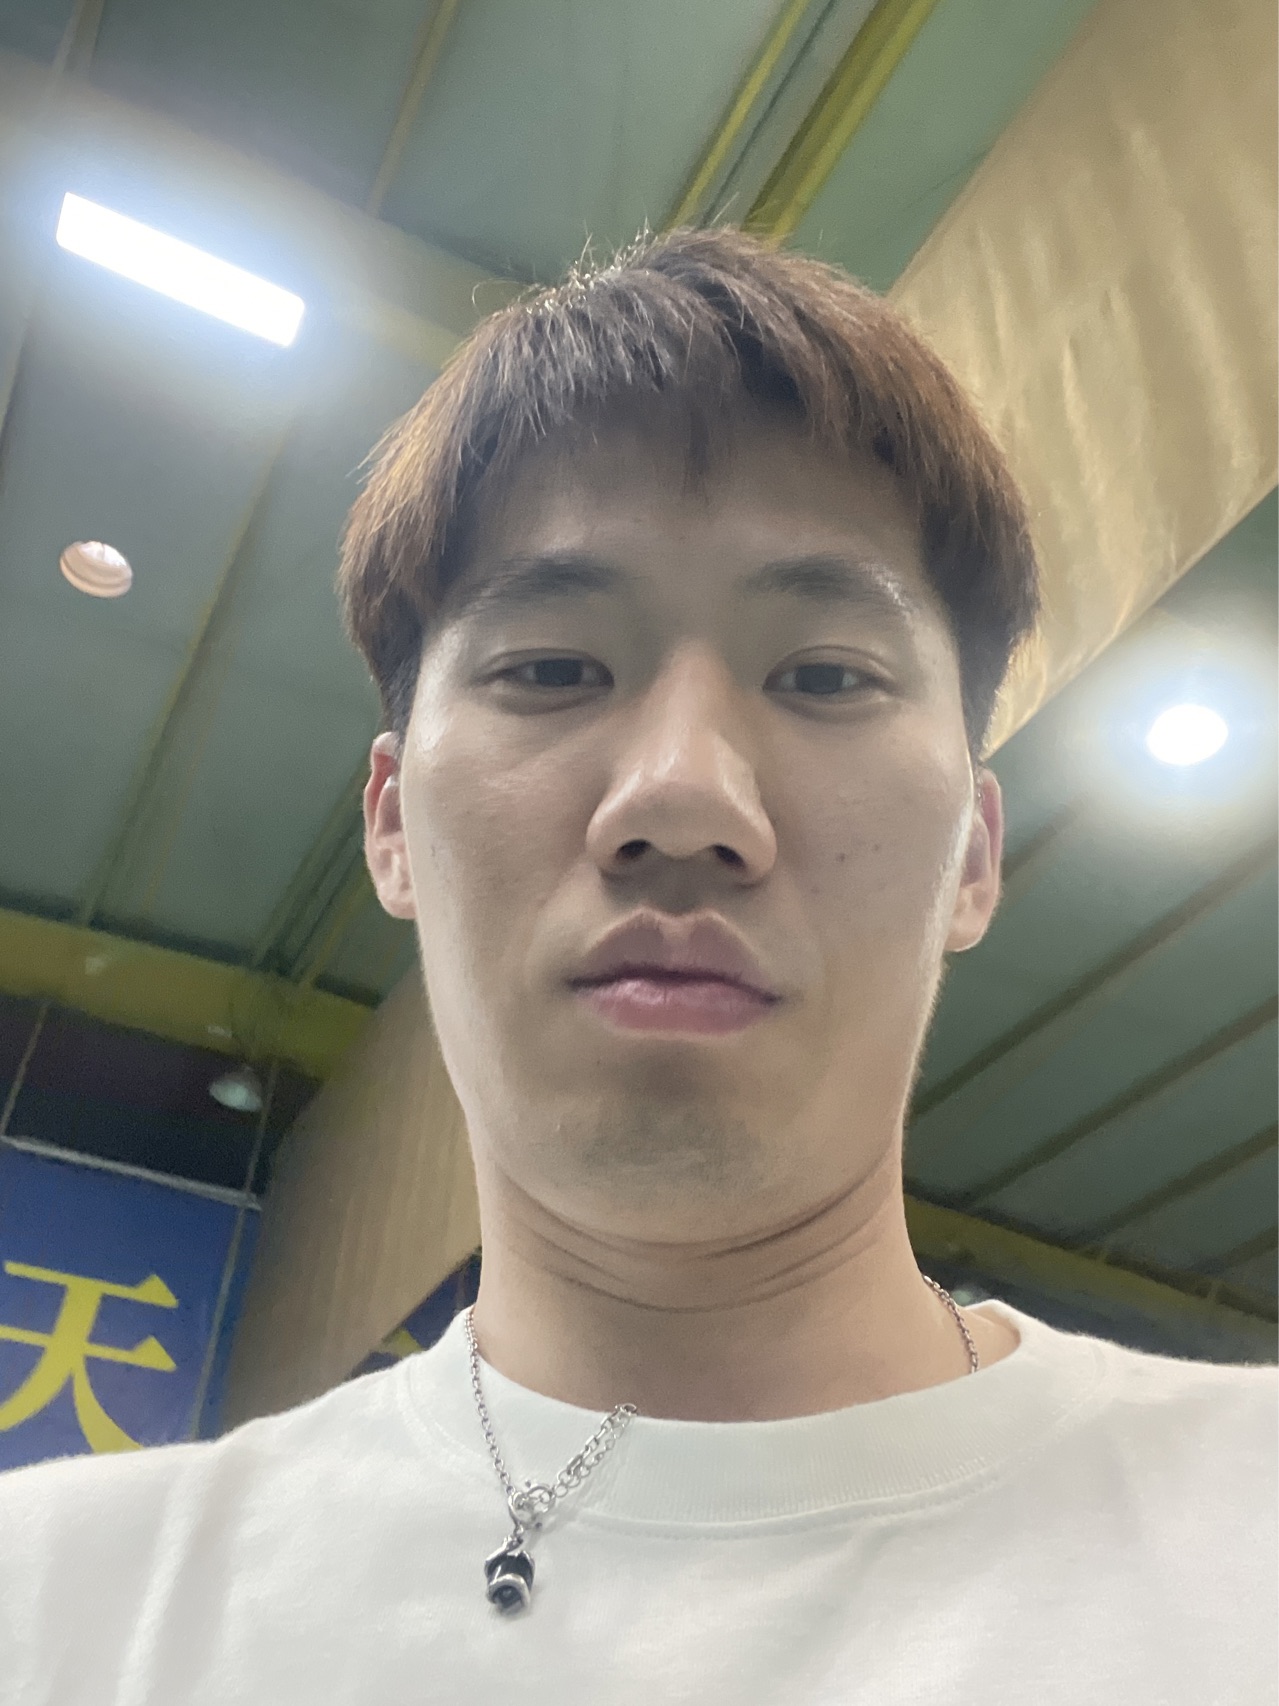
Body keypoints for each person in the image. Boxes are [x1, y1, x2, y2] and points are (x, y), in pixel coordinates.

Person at [1, 227, 1273, 1704]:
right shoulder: (59, 1611)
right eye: (551, 668)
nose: (681, 795)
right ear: (393, 822)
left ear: (974, 858)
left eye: (826, 675)